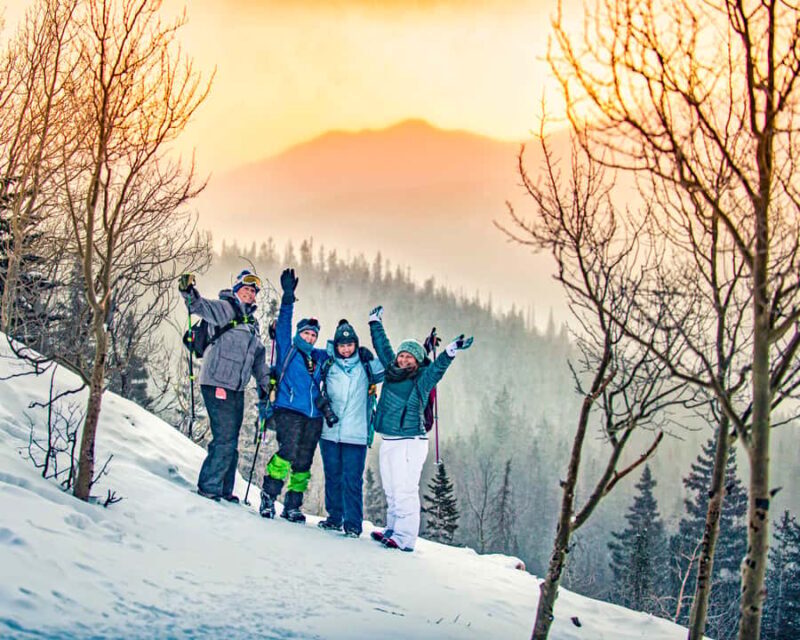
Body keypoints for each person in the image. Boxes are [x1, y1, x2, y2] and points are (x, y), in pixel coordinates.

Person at [367, 305, 473, 552]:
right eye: (402, 355)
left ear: (416, 361)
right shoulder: (392, 371)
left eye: (409, 357)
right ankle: (392, 528)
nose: (403, 359)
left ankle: (405, 538)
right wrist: (375, 322)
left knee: (405, 490)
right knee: (391, 489)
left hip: (410, 441)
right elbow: (383, 346)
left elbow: (437, 369)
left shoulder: (421, 380)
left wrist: (449, 352)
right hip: (390, 439)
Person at [178, 269, 269, 503]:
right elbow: (199, 306)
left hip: (236, 388)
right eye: (246, 290)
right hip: (217, 381)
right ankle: (209, 486)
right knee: (224, 438)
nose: (250, 294)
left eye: (253, 291)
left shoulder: (252, 323)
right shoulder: (225, 307)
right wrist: (188, 291)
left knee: (231, 439)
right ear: (237, 290)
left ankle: (225, 489)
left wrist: (265, 384)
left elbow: (258, 358)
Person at [259, 268, 328, 522]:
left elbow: (343, 354)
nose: (309, 337)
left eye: (313, 334)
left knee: (304, 460)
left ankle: (292, 505)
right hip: (288, 410)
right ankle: (268, 496)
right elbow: (284, 324)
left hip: (314, 416)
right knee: (287, 451)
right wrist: (288, 297)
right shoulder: (288, 348)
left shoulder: (319, 357)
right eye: (306, 333)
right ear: (299, 334)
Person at [317, 320, 385, 538]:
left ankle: (353, 523)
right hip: (329, 431)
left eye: (349, 344)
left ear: (355, 344)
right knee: (333, 475)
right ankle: (334, 518)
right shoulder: (328, 365)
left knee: (352, 479)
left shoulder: (366, 366)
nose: (345, 349)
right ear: (336, 346)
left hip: (355, 434)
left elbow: (390, 364)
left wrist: (373, 351)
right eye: (341, 345)